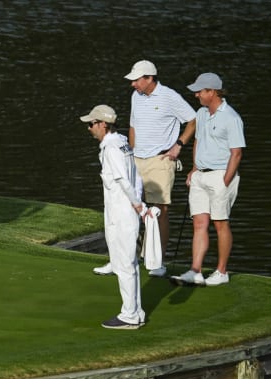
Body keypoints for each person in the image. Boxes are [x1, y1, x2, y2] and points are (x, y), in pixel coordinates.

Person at [106, 60, 196, 277]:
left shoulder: (169, 96)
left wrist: (179, 146)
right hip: (136, 159)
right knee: (129, 209)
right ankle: (125, 259)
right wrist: (130, 154)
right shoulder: (136, 96)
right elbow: (133, 126)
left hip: (160, 160)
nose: (133, 84)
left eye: (136, 80)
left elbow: (194, 120)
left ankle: (158, 261)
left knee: (159, 211)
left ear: (149, 78)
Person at [171, 73, 245, 287]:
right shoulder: (202, 113)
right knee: (199, 223)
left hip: (221, 175)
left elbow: (236, 153)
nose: (196, 95)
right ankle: (196, 271)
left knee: (220, 223)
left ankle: (222, 272)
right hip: (200, 176)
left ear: (211, 92)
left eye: (200, 91)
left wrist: (225, 180)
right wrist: (194, 169)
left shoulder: (231, 117)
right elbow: (198, 141)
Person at [80, 105, 146, 329]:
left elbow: (123, 179)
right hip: (121, 209)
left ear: (103, 125)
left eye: (92, 124)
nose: (89, 128)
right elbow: (135, 176)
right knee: (130, 263)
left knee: (125, 265)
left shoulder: (111, 148)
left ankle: (129, 315)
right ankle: (137, 311)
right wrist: (138, 202)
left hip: (122, 212)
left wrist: (137, 205)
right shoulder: (122, 142)